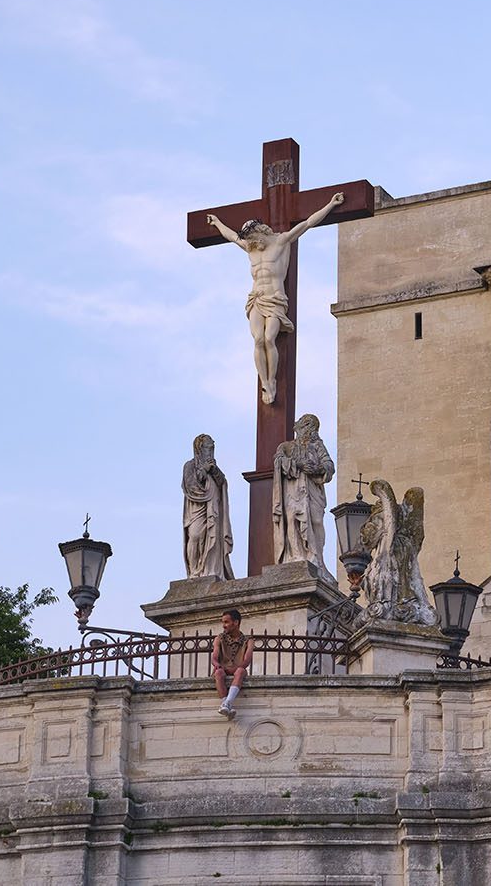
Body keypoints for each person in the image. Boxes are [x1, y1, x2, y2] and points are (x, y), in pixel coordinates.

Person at [205, 192, 345, 404]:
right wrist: (216, 223)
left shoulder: (280, 242)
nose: (249, 242)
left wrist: (330, 205)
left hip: (275, 298)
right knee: (258, 339)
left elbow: (307, 224)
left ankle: (272, 379)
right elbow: (231, 236)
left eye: (252, 238)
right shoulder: (250, 248)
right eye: (248, 240)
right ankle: (265, 382)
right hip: (256, 299)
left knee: (270, 338)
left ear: (261, 232)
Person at [272, 413, 335, 578]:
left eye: (312, 426)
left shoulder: (318, 446)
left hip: (313, 490)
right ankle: (297, 556)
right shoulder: (286, 447)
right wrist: (297, 464)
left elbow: (329, 465)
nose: (310, 429)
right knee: (292, 519)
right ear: (299, 427)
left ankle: (316, 558)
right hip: (293, 491)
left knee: (316, 521)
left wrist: (316, 469)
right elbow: (278, 461)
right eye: (306, 425)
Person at [182, 433, 234, 580]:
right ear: (199, 449)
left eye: (212, 448)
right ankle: (194, 571)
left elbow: (222, 482)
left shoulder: (214, 467)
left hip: (213, 508)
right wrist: (204, 470)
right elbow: (190, 486)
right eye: (207, 448)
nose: (210, 451)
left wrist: (214, 471)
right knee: (195, 535)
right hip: (196, 508)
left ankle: (210, 569)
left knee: (213, 537)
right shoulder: (190, 466)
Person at [211, 608, 254, 719]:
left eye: (226, 622)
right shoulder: (219, 638)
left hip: (238, 670)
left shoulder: (248, 640)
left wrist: (235, 669)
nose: (223, 625)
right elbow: (214, 657)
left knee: (240, 671)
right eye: (223, 622)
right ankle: (227, 704)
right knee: (218, 673)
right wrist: (217, 665)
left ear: (236, 622)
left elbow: (247, 661)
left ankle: (227, 703)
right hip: (222, 669)